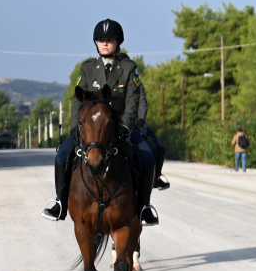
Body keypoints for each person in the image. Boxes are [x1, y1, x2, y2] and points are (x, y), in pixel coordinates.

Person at [41, 19, 159, 226]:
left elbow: (133, 99)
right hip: (89, 129)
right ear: (96, 42)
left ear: (118, 42)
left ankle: (144, 207)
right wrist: (76, 129)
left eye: (109, 40)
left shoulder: (129, 67)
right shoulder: (87, 67)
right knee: (61, 156)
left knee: (148, 157)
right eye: (101, 40)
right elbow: (78, 100)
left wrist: (126, 125)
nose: (105, 44)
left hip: (122, 127)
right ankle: (60, 203)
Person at [134, 83, 169, 190]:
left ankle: (157, 177)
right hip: (118, 124)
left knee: (160, 148)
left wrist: (140, 121)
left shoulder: (137, 84)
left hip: (138, 124)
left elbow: (142, 104)